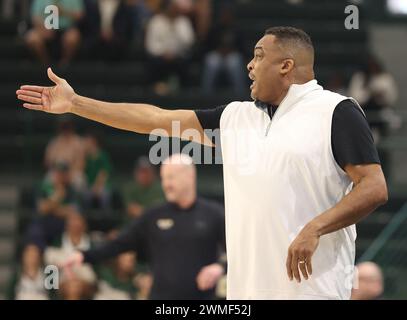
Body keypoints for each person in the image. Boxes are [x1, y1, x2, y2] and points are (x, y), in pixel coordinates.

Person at [16, 26, 388, 300]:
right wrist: (78, 103)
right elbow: (153, 118)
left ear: (286, 65)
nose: (249, 65)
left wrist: (315, 228)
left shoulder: (335, 111)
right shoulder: (236, 116)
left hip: (314, 291)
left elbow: (374, 187)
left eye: (259, 56)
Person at [62, 154, 226, 300]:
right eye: (163, 178)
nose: (166, 184)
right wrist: (84, 256)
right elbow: (118, 244)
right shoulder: (153, 216)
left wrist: (220, 267)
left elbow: (239, 254)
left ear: (190, 176)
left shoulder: (214, 214)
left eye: (171, 177)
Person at [25, 0, 84, 65]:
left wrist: (63, 12)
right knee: (32, 38)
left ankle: (64, 66)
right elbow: (34, 17)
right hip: (44, 29)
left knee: (72, 37)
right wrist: (44, 27)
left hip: (66, 29)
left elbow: (80, 15)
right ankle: (45, 66)